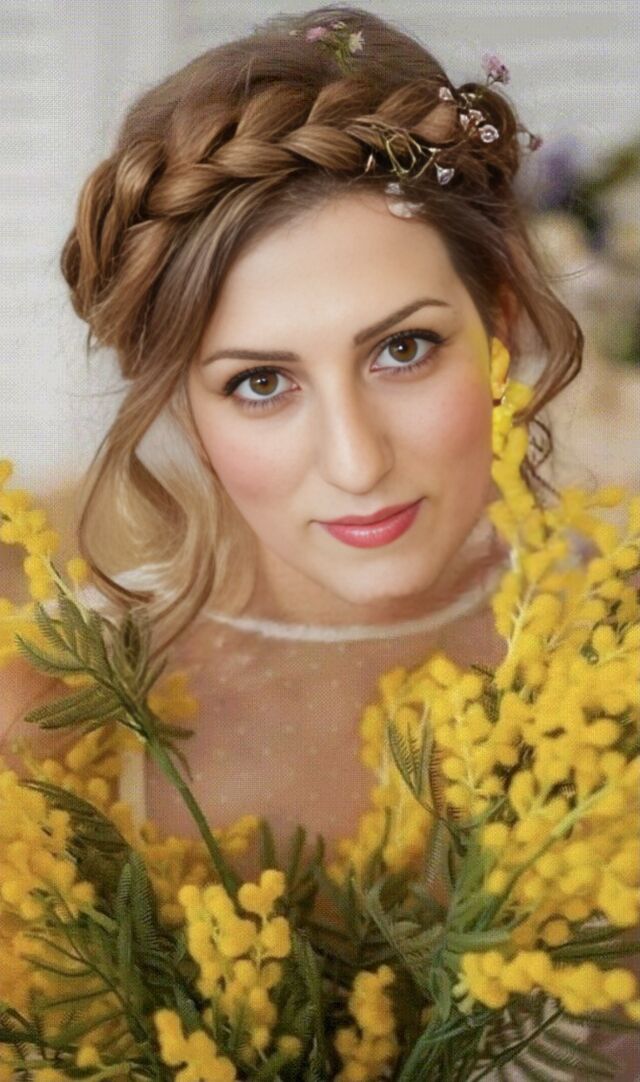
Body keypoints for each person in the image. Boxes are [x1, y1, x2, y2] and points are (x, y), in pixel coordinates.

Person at [1, 6, 638, 1078]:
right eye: (261, 381)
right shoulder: (54, 709)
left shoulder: (616, 656)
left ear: (498, 317)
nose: (354, 461)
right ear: (183, 400)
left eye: (403, 349)